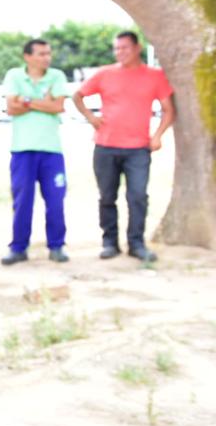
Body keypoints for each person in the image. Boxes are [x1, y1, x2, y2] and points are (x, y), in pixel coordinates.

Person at [72, 31, 175, 266]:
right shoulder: (105, 74)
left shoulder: (155, 76)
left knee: (138, 196)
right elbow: (77, 96)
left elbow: (169, 109)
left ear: (137, 48)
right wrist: (91, 118)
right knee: (107, 197)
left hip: (138, 148)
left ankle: (136, 244)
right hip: (105, 146)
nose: (120, 53)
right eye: (117, 49)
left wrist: (158, 135)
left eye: (125, 48)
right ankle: (109, 242)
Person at [0, 39, 69, 265]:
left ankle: (57, 246)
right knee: (22, 201)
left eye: (48, 53)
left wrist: (26, 100)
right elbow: (11, 107)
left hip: (51, 150)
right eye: (40, 54)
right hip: (22, 150)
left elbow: (58, 106)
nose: (46, 58)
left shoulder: (57, 76)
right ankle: (18, 247)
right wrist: (41, 101)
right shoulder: (14, 75)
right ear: (27, 56)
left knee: (56, 201)